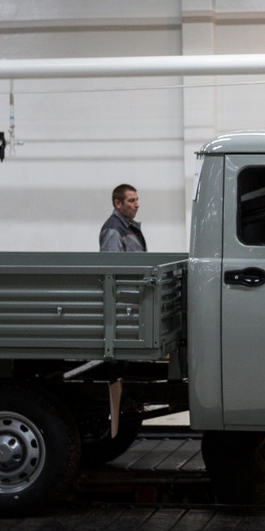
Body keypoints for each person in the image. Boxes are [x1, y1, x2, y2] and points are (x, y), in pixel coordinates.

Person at [98, 184, 145, 437]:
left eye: (137, 199)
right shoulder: (114, 231)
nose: (136, 204)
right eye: (130, 200)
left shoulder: (128, 228)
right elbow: (112, 273)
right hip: (125, 307)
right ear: (117, 204)